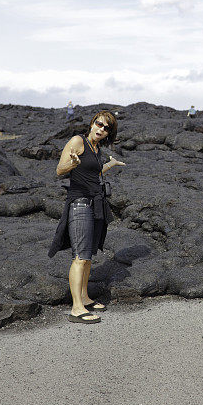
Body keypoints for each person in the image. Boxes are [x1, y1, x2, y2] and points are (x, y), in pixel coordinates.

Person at [49, 110, 126, 323]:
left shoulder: (96, 147)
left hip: (95, 204)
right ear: (92, 123)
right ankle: (76, 308)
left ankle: (84, 297)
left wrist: (109, 165)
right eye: (99, 124)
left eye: (106, 128)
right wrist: (73, 163)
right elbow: (59, 170)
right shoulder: (78, 140)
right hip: (80, 203)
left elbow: (93, 171)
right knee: (80, 257)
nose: (101, 129)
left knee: (89, 256)